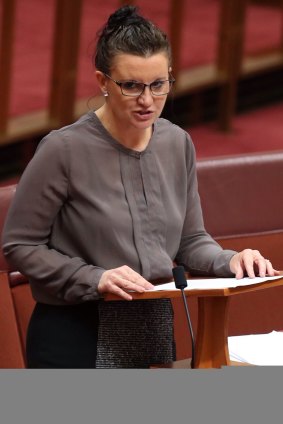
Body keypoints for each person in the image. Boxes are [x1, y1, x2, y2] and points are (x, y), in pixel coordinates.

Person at [1, 5, 278, 369]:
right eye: (131, 86)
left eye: (158, 84)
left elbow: (190, 241)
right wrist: (94, 277)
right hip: (76, 333)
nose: (147, 100)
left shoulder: (176, 142)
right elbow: (20, 245)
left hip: (151, 325)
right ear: (103, 82)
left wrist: (232, 260)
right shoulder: (63, 150)